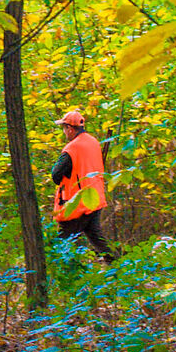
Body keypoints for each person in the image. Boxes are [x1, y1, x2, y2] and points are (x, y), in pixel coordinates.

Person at [50, 109, 117, 262]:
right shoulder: (93, 142)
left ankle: (60, 277)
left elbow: (56, 175)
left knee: (61, 244)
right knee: (97, 238)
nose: (64, 132)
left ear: (70, 129)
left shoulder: (72, 148)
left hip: (78, 203)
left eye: (64, 128)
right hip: (95, 199)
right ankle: (120, 268)